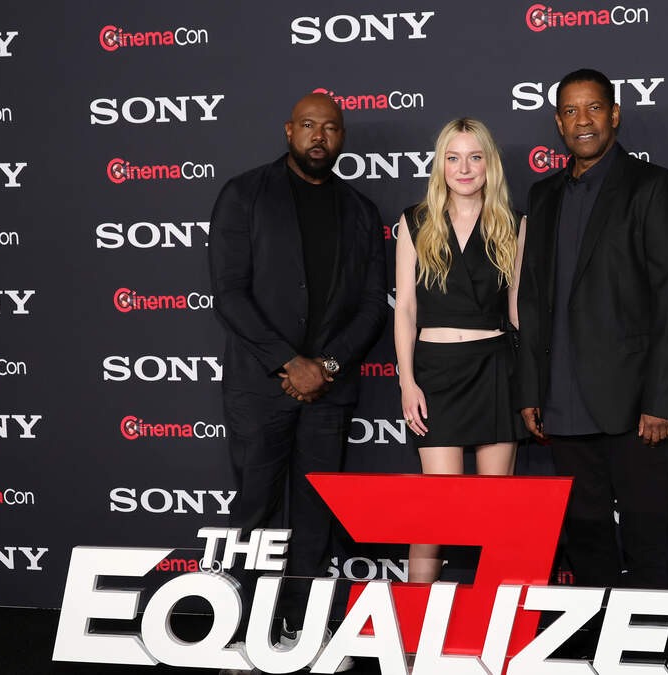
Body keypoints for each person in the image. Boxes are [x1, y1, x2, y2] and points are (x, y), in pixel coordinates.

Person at [208, 92, 386, 671]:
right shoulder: (244, 194)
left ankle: (301, 627)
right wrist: (289, 362)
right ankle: (239, 630)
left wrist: (326, 366)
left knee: (315, 513)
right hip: (262, 386)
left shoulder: (360, 210)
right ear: (289, 131)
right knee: (255, 510)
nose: (319, 136)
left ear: (342, 136)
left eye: (330, 127)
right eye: (308, 125)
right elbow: (229, 292)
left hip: (329, 391)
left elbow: (372, 305)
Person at [515, 69, 668, 594]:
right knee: (585, 534)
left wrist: (661, 399)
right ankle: (600, 631)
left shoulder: (654, 187)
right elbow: (532, 299)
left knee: (646, 533)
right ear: (558, 123)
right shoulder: (543, 195)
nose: (583, 121)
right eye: (571, 111)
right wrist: (531, 390)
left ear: (615, 114)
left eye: (594, 108)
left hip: (637, 405)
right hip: (562, 402)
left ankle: (650, 634)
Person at [394, 118, 527, 584]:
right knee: (434, 514)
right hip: (436, 375)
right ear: (441, 165)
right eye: (453, 158)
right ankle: (415, 624)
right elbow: (405, 308)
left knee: (497, 515)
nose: (464, 168)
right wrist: (407, 382)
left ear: (490, 164)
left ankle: (496, 625)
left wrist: (530, 384)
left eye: (475, 157)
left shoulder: (513, 224)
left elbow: (517, 312)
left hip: (495, 371)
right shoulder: (415, 221)